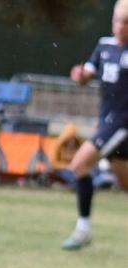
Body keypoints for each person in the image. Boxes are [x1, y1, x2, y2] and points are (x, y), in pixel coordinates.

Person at [61, 0, 128, 251]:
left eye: (126, 22)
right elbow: (87, 73)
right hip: (108, 122)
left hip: (121, 124)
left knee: (79, 164)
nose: (120, 26)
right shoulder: (104, 46)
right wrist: (79, 75)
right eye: (117, 21)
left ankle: (83, 229)